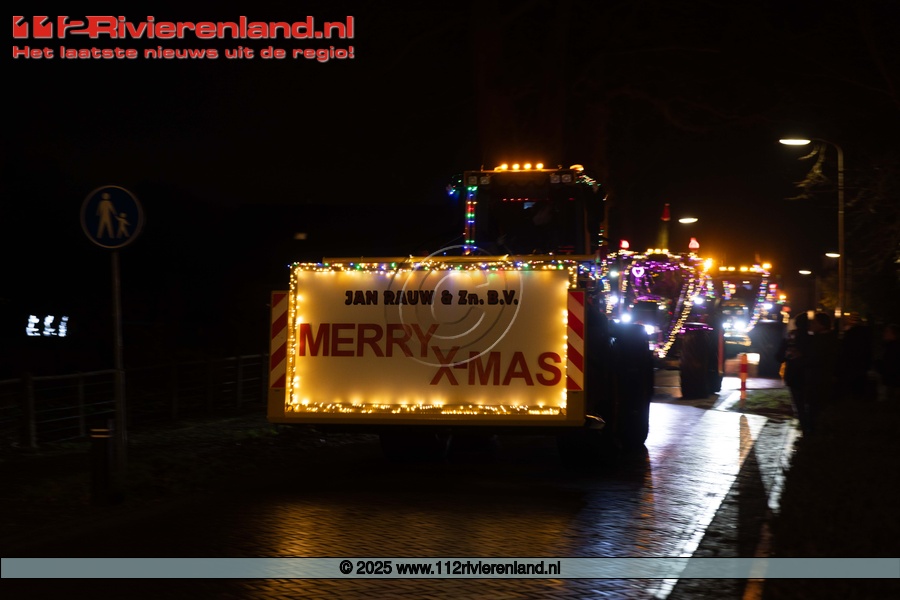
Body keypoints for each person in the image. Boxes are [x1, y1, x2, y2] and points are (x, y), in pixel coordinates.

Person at [778, 312, 812, 432]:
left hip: (793, 376)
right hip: (810, 376)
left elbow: (779, 356)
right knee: (810, 406)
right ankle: (810, 432)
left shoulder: (790, 338)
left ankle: (805, 431)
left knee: (799, 406)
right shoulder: (813, 338)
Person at [806, 311, 839, 433]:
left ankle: (815, 433)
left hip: (820, 380)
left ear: (822, 325)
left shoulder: (821, 341)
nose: (812, 325)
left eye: (814, 323)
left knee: (816, 409)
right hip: (822, 379)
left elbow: (814, 360)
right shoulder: (831, 339)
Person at [838, 312, 872, 401]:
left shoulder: (850, 334)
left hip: (851, 364)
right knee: (859, 386)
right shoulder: (866, 333)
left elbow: (845, 349)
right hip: (862, 364)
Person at [875, 323, 900, 403]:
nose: (884, 333)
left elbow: (890, 365)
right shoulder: (889, 346)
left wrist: (878, 365)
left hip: (891, 380)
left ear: (894, 334)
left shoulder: (893, 348)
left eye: (887, 331)